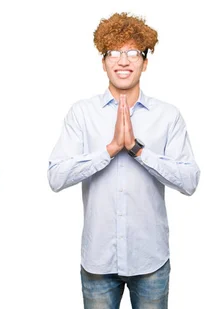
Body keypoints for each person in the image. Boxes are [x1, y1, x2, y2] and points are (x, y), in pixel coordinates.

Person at [48, 12, 200, 309]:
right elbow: (56, 177)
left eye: (133, 52)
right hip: (98, 261)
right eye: (114, 52)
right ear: (103, 61)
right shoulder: (81, 114)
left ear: (145, 62)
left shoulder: (167, 116)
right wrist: (110, 149)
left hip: (151, 260)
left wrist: (138, 150)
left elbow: (190, 181)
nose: (123, 60)